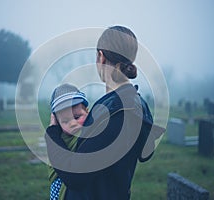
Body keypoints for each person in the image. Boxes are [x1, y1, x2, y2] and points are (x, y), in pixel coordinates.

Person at [46, 25, 154, 200]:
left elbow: (76, 176)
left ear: (101, 56)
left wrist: (52, 133)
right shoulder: (136, 103)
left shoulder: (115, 111)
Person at [48, 83, 89, 200]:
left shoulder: (90, 134)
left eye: (77, 117)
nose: (72, 123)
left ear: (87, 111)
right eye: (65, 121)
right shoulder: (58, 139)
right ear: (57, 123)